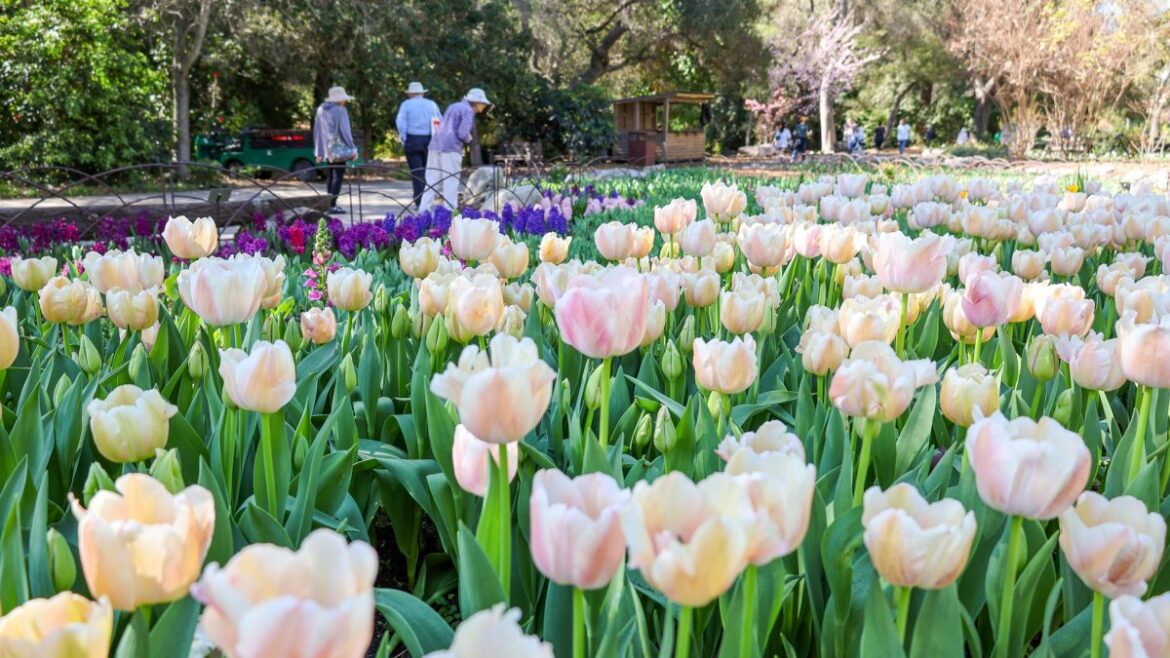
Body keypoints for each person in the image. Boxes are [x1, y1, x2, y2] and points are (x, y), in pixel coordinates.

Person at [419, 88, 491, 213]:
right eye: (483, 104)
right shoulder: (468, 111)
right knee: (450, 181)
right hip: (451, 148)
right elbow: (462, 133)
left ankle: (423, 210)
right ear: (477, 103)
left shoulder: (454, 106)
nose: (484, 106)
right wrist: (469, 137)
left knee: (431, 181)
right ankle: (450, 212)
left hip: (435, 145)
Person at [395, 81, 442, 209]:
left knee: (417, 172)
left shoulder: (406, 105)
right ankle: (428, 200)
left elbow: (401, 122)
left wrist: (404, 137)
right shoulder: (432, 105)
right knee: (429, 172)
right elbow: (440, 121)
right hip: (429, 140)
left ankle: (419, 200)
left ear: (410, 94)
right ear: (422, 93)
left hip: (412, 139)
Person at [313, 86, 357, 214]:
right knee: (337, 176)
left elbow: (318, 131)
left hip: (327, 148)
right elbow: (345, 131)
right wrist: (353, 148)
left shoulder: (321, 109)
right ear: (340, 99)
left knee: (330, 175)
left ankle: (329, 204)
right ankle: (332, 205)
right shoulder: (340, 110)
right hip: (339, 149)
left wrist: (319, 151)